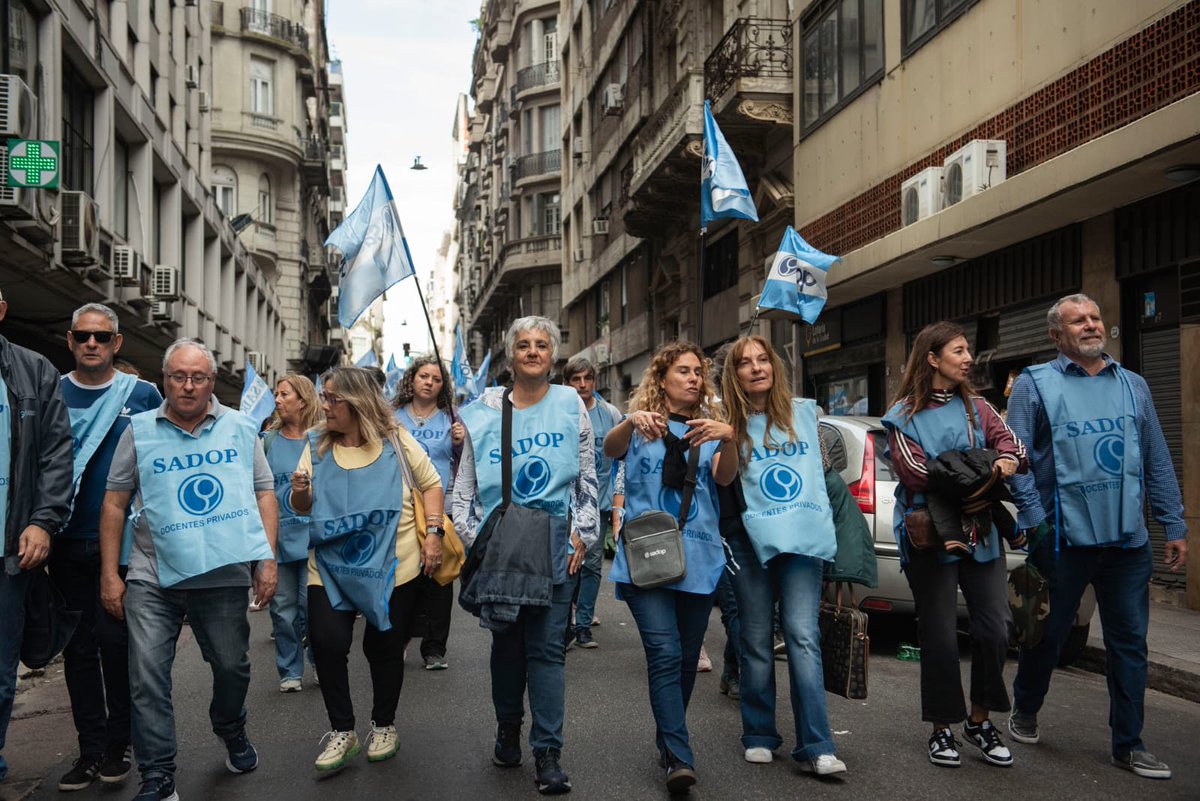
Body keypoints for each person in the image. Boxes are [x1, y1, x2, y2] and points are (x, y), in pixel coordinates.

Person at [1006, 294, 1187, 780]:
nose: (1090, 325)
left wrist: (1173, 522)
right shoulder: (1033, 385)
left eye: (1094, 317)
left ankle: (1129, 743)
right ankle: (1025, 706)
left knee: (1130, 644)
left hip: (1128, 541)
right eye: (1077, 320)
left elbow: (1156, 456)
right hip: (1063, 540)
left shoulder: (1134, 385)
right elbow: (1016, 459)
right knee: (1048, 634)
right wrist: (1034, 518)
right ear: (1055, 335)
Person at [98, 338, 278, 801]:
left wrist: (267, 558)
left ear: (212, 382)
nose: (188, 385)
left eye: (197, 377)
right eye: (178, 376)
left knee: (232, 668)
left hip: (221, 575)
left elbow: (263, 493)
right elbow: (115, 503)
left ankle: (231, 727)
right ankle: (158, 775)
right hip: (151, 575)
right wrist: (110, 573)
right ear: (164, 380)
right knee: (147, 677)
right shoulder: (138, 431)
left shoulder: (241, 428)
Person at [453, 315, 598, 796]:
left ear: (552, 356)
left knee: (548, 652)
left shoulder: (569, 403)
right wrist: (478, 539)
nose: (533, 351)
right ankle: (507, 727)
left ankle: (548, 752)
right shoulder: (484, 412)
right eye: (523, 345)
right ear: (510, 356)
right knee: (507, 649)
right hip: (503, 546)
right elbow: (465, 490)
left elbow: (585, 474)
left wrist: (584, 533)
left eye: (541, 345)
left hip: (557, 543)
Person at [881, 322, 1028, 769]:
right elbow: (915, 475)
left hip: (981, 534)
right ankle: (942, 727)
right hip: (930, 536)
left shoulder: (980, 408)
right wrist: (985, 471)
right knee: (940, 634)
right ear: (933, 358)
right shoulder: (902, 415)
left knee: (995, 628)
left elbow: (1015, 451)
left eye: (968, 351)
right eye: (960, 351)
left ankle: (979, 721)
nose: (968, 359)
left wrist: (995, 462)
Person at [289, 367, 444, 773]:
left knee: (384, 648)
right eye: (323, 397)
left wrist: (434, 533)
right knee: (326, 641)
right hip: (330, 567)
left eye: (331, 399)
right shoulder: (315, 445)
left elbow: (431, 484)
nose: (324, 406)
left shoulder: (396, 440)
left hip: (395, 566)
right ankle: (343, 730)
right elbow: (301, 506)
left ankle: (384, 725)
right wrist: (301, 493)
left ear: (356, 402)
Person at [603, 340, 738, 794]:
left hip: (699, 558)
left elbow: (723, 478)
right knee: (664, 653)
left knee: (683, 661)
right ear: (662, 378)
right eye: (683, 370)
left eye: (698, 371)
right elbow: (609, 448)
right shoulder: (642, 427)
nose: (694, 378)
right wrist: (630, 419)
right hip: (646, 556)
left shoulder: (706, 429)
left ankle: (667, 739)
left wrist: (730, 437)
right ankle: (679, 754)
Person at [718, 335, 846, 776]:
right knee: (754, 639)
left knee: (801, 636)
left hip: (800, 539)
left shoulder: (806, 416)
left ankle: (818, 744)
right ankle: (758, 733)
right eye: (744, 363)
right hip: (746, 541)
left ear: (774, 367)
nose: (756, 368)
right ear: (733, 375)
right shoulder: (723, 421)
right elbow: (722, 478)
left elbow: (825, 476)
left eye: (763, 360)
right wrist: (729, 438)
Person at [54, 304, 162, 791]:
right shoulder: (51, 391)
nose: (91, 344)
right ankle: (89, 749)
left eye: (102, 337)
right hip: (63, 539)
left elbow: (164, 464)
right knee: (77, 652)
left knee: (117, 647)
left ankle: (120, 745)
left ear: (117, 343)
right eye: (83, 336)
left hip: (123, 545)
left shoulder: (143, 395)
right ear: (71, 341)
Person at [0, 290, 73, 786]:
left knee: (1, 671)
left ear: (2, 310)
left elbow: (55, 454)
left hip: (8, 552)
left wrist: (43, 520)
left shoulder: (33, 370)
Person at [393, 355, 464, 671]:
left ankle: (434, 647)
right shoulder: (391, 417)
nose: (429, 382)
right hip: (402, 507)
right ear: (412, 379)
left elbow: (465, 462)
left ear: (442, 386)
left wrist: (461, 442)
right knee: (405, 574)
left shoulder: (451, 419)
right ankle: (402, 635)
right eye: (424, 376)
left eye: (436, 379)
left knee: (438, 575)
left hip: (440, 507)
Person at [263, 374, 323, 693]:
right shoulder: (268, 442)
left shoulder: (322, 439)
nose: (277, 399)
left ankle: (318, 658)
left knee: (313, 608)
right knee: (283, 611)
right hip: (279, 541)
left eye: (284, 394)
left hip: (314, 541)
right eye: (275, 394)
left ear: (302, 399)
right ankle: (289, 669)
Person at [561, 356, 622, 650]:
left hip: (597, 504)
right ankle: (564, 622)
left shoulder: (610, 414)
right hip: (562, 505)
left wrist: (616, 504)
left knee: (592, 565)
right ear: (567, 382)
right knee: (567, 563)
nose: (583, 385)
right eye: (576, 379)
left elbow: (621, 459)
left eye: (587, 379)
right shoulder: (558, 411)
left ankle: (583, 626)